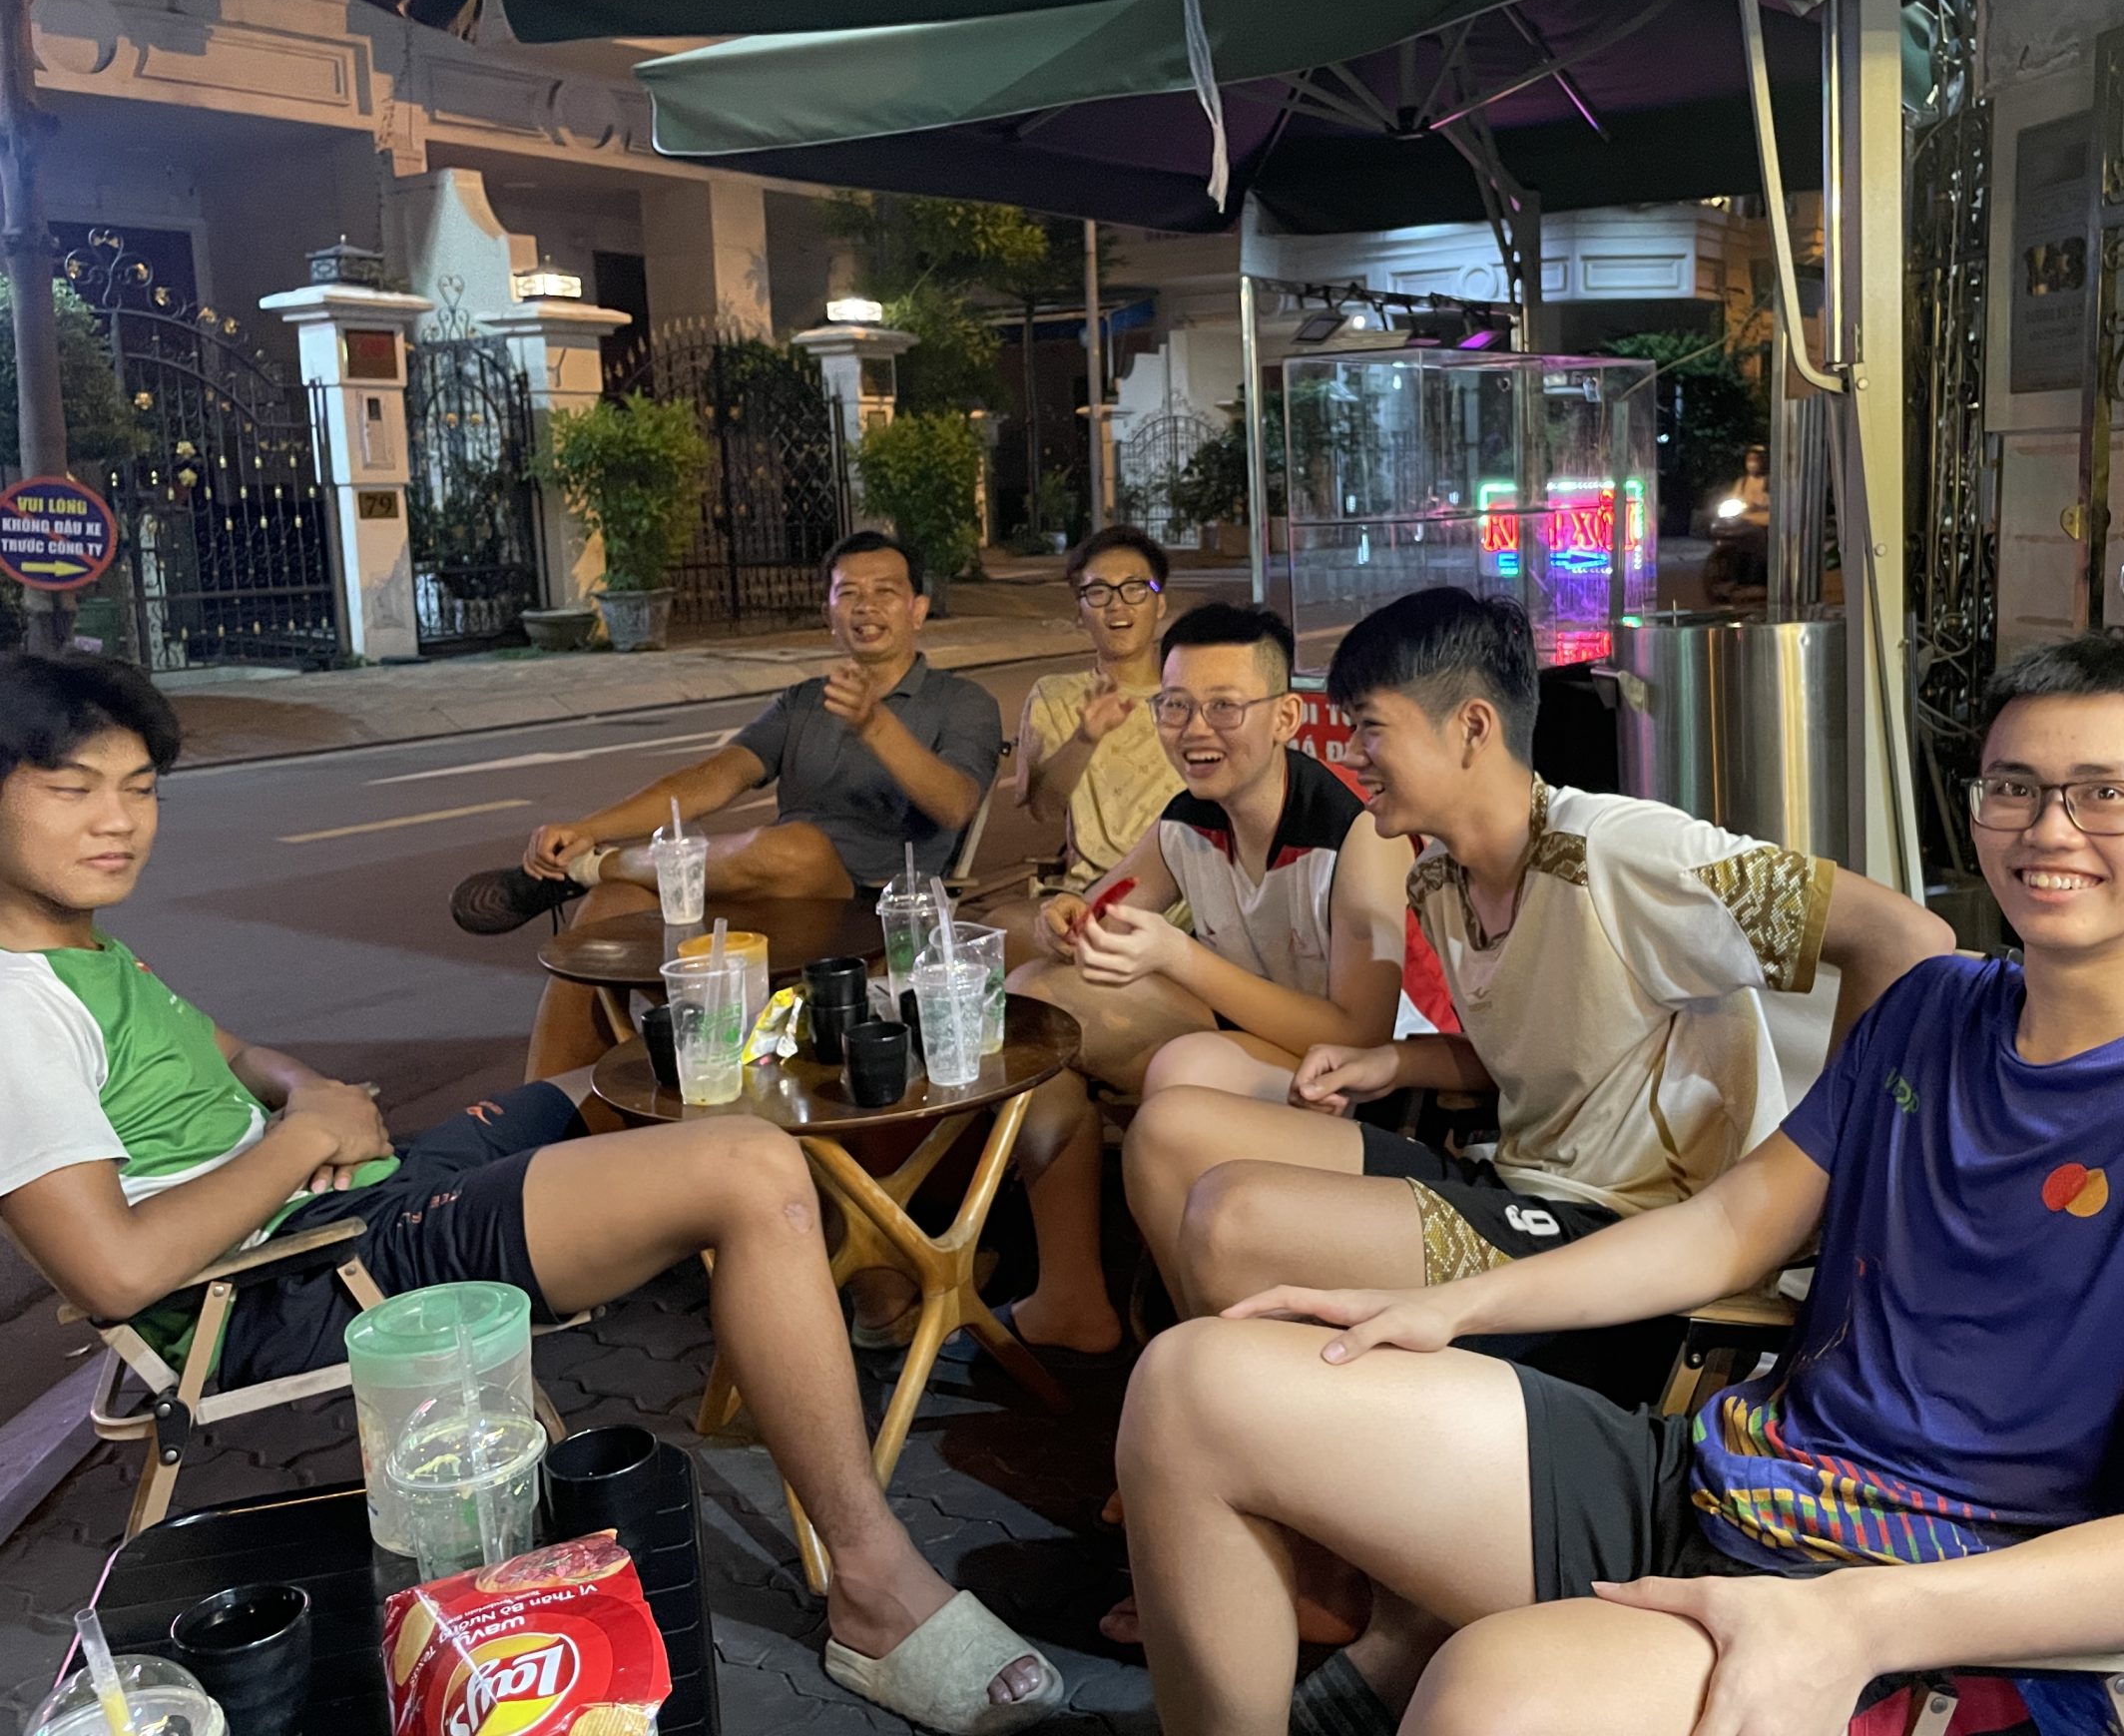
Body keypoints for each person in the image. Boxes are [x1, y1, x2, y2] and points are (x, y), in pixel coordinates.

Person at [1115, 632, 2124, 1736]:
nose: (2049, 829)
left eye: (2106, 795)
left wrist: (1857, 1621)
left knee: (1492, 1694)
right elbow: (1728, 1227)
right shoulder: (1932, 1011)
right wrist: (1451, 1309)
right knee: (1195, 1386)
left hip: (1931, 1606)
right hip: (1729, 1473)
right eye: (2015, 788)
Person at [0, 654, 1062, 1735]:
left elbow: (239, 1055)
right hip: (292, 1276)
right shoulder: (13, 1015)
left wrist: (311, 1093)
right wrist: (305, 1141)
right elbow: (114, 1272)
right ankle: (874, 1583)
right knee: (751, 1169)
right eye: (73, 788)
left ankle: (838, 1286)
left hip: (358, 1192)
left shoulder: (85, 947)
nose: (117, 820)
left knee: (637, 1076)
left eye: (139, 789)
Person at [1123, 587, 1948, 1329]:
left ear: (1472, 727)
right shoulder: (1438, 880)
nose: (1350, 755)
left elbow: (1903, 937)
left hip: (1623, 1231)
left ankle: (1238, 1398)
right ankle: (1219, 1388)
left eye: (1370, 727)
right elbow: (1524, 1058)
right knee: (1170, 1130)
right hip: (1515, 1183)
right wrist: (1391, 1063)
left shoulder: (1616, 852)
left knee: (1232, 1217)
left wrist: (1817, 1178)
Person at [994, 602, 1412, 1360]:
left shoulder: (1355, 836)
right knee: (1036, 1004)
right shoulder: (1189, 820)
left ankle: (1213, 1336)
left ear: (1285, 716)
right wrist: (1064, 920)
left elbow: (1362, 1035)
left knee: (1184, 1067)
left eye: (1224, 707)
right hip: (1248, 1041)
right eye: (1176, 706)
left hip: (1350, 1081)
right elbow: (1103, 911)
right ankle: (1071, 1293)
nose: (1195, 730)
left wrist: (1179, 958)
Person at [448, 531, 1004, 1079]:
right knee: (611, 908)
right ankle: (545, 1107)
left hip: (868, 909)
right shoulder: (804, 701)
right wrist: (587, 828)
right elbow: (715, 778)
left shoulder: (961, 702)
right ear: (828, 613)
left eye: (885, 591)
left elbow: (955, 804)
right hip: (767, 901)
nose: (866, 606)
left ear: (917, 609)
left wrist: (874, 723)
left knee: (797, 848)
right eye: (848, 593)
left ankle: (587, 870)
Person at [1007, 523, 1184, 896]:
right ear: (1080, 611)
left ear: (1160, 603)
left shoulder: (1191, 695)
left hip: (1189, 894)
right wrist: (1085, 738)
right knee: (1006, 924)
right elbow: (1044, 809)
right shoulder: (1056, 695)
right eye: (1098, 592)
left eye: (1134, 588)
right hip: (1092, 896)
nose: (1117, 605)